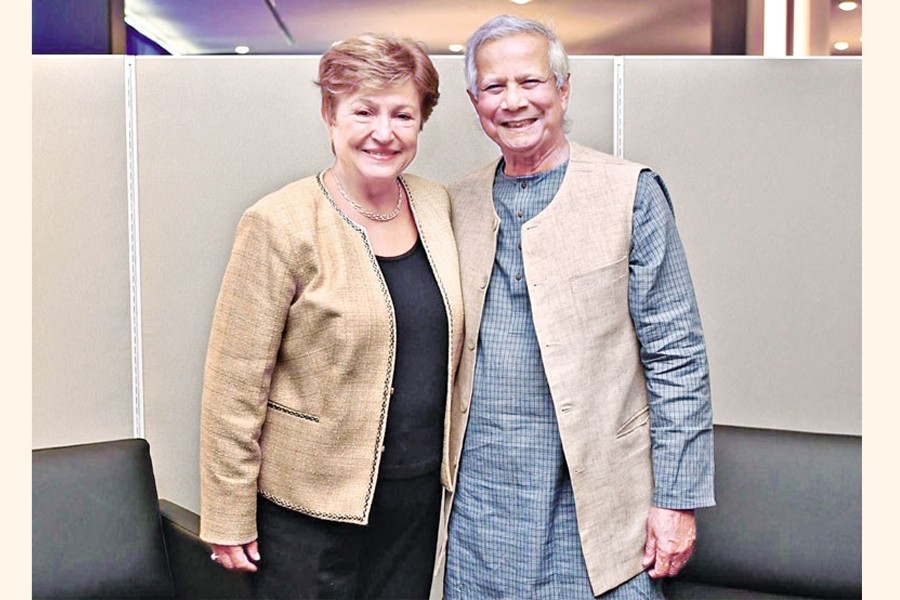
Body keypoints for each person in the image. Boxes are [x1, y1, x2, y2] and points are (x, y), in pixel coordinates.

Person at [441, 15, 715, 599]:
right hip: (480, 508)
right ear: (475, 102)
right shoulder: (454, 203)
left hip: (602, 506)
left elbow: (678, 357)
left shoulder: (631, 192)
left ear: (563, 89)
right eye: (494, 87)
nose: (513, 102)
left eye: (530, 82)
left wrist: (677, 499)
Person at [198, 33, 464, 600]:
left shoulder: (437, 206)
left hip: (414, 499)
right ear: (330, 113)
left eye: (402, 114)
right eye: (364, 111)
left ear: (421, 122)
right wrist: (227, 512)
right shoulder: (279, 223)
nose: (383, 132)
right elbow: (233, 383)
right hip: (307, 505)